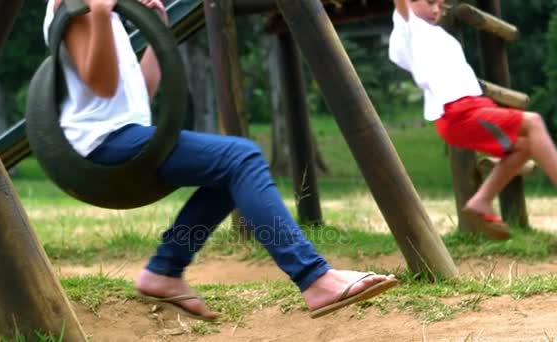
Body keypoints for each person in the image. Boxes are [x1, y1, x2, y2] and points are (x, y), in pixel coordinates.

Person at [43, 0, 397, 321]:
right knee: (241, 157)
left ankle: (164, 269)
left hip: (121, 132)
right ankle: (314, 277)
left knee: (230, 173)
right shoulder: (80, 6)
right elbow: (101, 86)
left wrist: (156, 34)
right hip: (102, 142)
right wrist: (102, 15)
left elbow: (138, 96)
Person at [389, 0, 557, 240]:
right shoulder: (410, 28)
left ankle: (481, 200)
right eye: (429, 3)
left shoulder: (435, 35)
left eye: (440, 4)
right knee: (534, 122)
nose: (436, 10)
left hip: (473, 108)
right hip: (458, 113)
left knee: (525, 145)